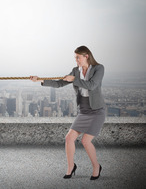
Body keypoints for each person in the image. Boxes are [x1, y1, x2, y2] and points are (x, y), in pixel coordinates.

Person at [30, 46, 105, 180]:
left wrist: (74, 80)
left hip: (96, 111)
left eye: (78, 57)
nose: (76, 60)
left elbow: (92, 85)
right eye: (75, 57)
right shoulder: (76, 71)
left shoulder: (99, 68)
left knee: (86, 141)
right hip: (83, 110)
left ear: (86, 56)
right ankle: (71, 167)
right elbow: (59, 84)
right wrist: (39, 80)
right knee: (69, 138)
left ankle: (96, 167)